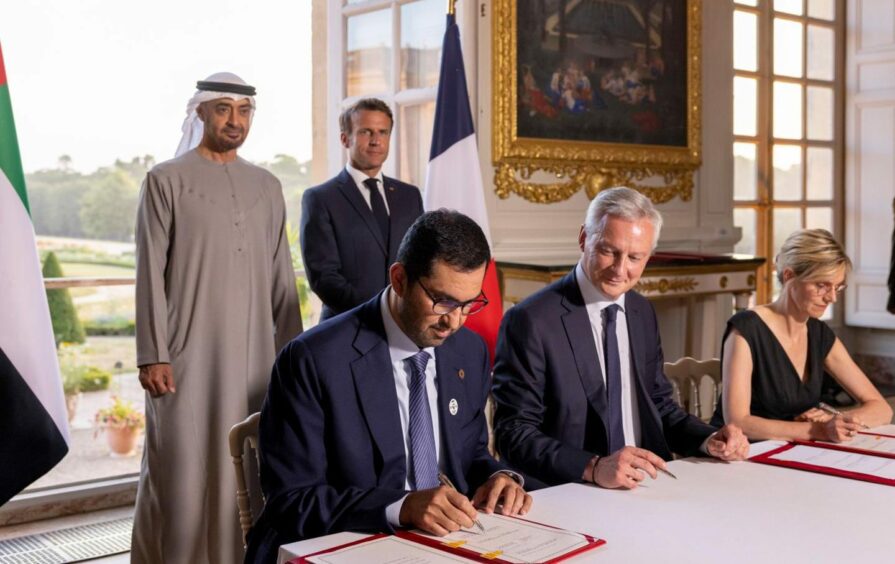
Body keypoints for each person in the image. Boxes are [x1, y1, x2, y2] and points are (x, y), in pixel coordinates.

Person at [246, 210, 531, 564]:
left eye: (469, 304)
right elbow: (291, 502)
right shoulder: (312, 359)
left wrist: (498, 477)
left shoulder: (468, 352)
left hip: (445, 546)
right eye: (442, 301)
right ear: (399, 279)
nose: (454, 321)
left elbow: (470, 455)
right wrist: (402, 507)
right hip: (342, 544)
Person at [133, 72, 303, 564]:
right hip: (183, 361)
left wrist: (293, 362)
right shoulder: (165, 179)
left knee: (249, 475)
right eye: (223, 108)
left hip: (254, 364)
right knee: (182, 476)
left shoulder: (268, 186)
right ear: (201, 112)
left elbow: (282, 281)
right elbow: (148, 274)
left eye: (244, 110)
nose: (235, 120)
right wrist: (152, 354)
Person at [492, 187, 749, 490]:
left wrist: (708, 438)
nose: (619, 269)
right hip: (570, 488)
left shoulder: (641, 311)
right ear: (583, 239)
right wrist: (594, 467)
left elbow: (659, 405)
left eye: (634, 257)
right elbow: (514, 433)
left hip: (647, 483)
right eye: (608, 251)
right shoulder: (531, 320)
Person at [712, 229, 892, 440]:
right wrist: (818, 430)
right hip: (740, 453)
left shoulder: (819, 334)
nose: (832, 297)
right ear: (789, 276)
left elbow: (882, 409)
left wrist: (837, 420)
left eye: (838, 287)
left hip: (793, 451)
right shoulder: (746, 329)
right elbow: (738, 422)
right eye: (822, 285)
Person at [301, 98, 424, 321]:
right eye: (366, 132)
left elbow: (420, 261)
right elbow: (324, 278)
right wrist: (380, 315)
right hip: (346, 325)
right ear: (345, 139)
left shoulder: (410, 196)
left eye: (383, 132)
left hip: (405, 326)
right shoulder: (320, 199)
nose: (376, 141)